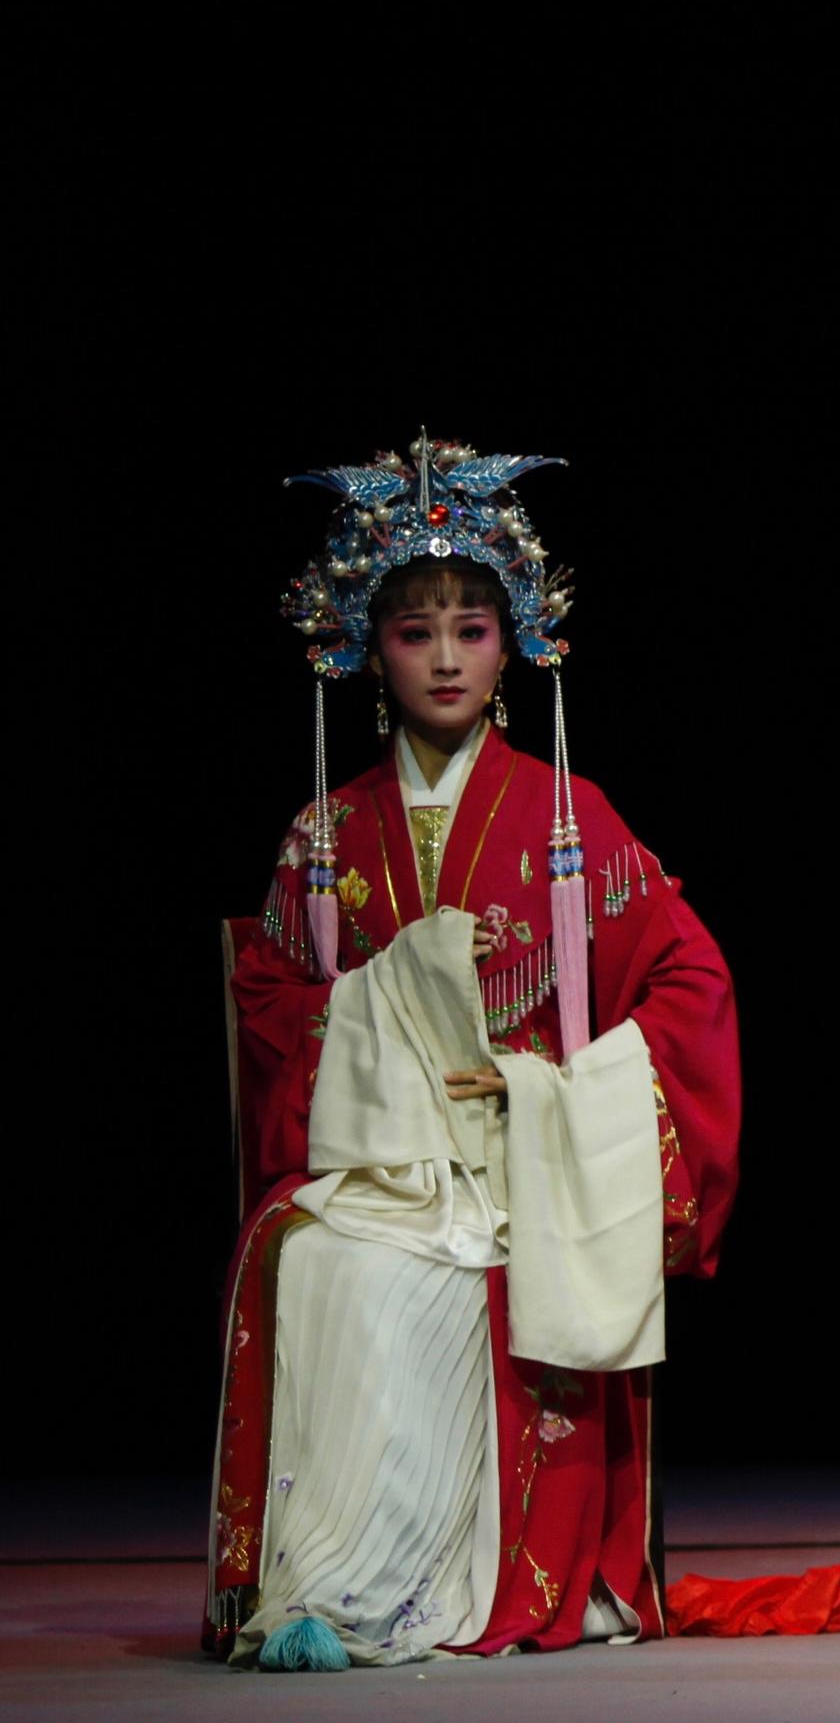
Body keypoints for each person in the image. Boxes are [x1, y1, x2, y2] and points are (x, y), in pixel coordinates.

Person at [208, 436, 740, 1667]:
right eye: (414, 632)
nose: (445, 657)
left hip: (522, 1159)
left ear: (513, 646)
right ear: (367, 650)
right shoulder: (328, 831)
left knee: (444, 1274)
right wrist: (376, 1033)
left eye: (470, 628)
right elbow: (276, 1000)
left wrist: (550, 1089)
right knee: (322, 1263)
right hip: (379, 1161)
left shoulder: (576, 817)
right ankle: (325, 1589)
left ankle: (423, 1595)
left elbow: (688, 983)